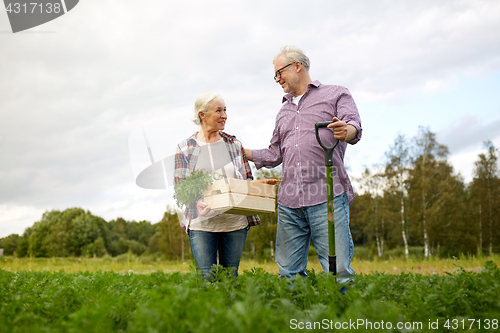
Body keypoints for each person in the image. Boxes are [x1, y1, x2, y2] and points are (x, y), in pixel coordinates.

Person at [245, 46, 362, 282]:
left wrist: (344, 131)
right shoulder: (283, 112)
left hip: (327, 195)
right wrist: (242, 152)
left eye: (279, 73)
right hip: (290, 201)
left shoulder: (336, 94)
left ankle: (342, 316)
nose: (277, 79)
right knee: (288, 274)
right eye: (275, 75)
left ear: (297, 66)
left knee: (337, 271)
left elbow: (354, 127)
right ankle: (295, 317)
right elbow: (274, 153)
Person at [174, 92, 260, 280]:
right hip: (201, 223)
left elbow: (247, 179)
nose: (224, 116)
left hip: (234, 223)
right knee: (206, 277)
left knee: (230, 277)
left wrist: (259, 188)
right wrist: (196, 202)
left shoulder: (234, 144)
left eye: (225, 110)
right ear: (202, 114)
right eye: (218, 111)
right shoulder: (185, 148)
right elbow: (180, 187)